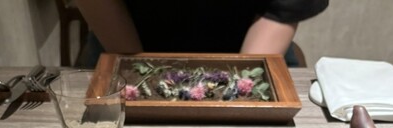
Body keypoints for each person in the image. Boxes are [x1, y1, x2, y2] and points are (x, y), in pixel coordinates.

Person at [75, 0, 329, 67]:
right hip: (124, 42)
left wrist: (241, 87)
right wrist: (138, 71)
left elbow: (284, 6)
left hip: (250, 45)